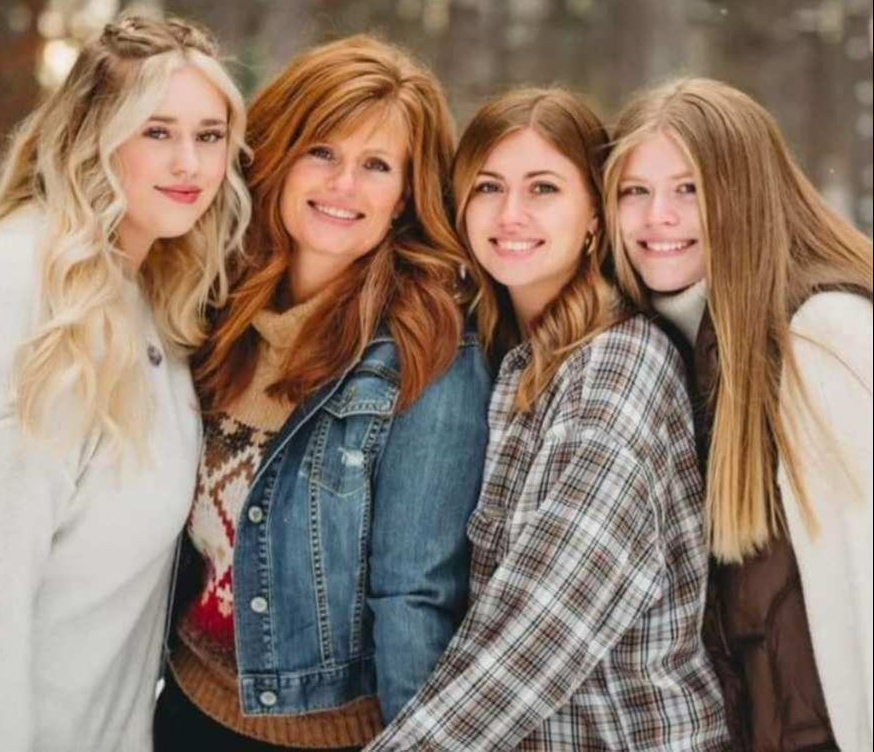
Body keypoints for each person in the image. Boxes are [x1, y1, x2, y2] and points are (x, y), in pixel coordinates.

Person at [364, 88, 730, 751]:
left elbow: (543, 629)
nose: (510, 214)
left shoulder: (619, 364)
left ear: (594, 213)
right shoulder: (499, 356)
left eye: (543, 188)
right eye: (488, 187)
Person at [153, 34, 491, 752]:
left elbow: (416, 594)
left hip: (328, 737)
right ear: (279, 154)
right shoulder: (208, 309)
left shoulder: (428, 349)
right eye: (323, 152)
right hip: (181, 705)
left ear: (406, 194)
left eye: (377, 166)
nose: (345, 185)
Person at [0, 14, 251, 752]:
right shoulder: (27, 285)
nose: (190, 164)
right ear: (93, 134)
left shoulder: (145, 288)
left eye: (209, 136)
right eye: (156, 131)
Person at [603, 77, 873, 752]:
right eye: (634, 191)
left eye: (688, 189)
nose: (657, 217)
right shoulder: (673, 351)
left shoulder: (822, 336)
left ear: (746, 193)